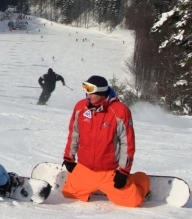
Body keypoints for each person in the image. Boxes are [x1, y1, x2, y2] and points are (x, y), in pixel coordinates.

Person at [61, 75, 150, 207]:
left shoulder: (120, 111)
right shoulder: (81, 107)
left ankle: (141, 179)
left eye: (91, 90)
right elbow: (74, 134)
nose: (87, 94)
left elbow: (127, 143)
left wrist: (123, 172)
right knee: (69, 194)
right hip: (85, 168)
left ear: (101, 92)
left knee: (133, 201)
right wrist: (69, 157)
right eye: (86, 89)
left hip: (109, 172)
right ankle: (88, 184)